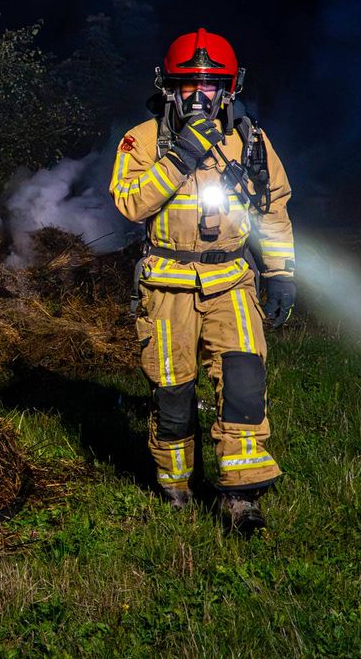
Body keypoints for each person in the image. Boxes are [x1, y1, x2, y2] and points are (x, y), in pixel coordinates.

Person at [108, 28, 296, 534]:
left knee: (242, 382)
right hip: (166, 285)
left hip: (232, 279)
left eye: (210, 84)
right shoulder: (143, 139)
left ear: (229, 88)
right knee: (172, 389)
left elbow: (272, 209)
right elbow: (131, 202)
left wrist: (279, 274)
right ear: (168, 87)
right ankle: (176, 487)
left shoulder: (250, 140)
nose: (200, 94)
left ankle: (241, 498)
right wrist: (182, 154)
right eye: (188, 84)